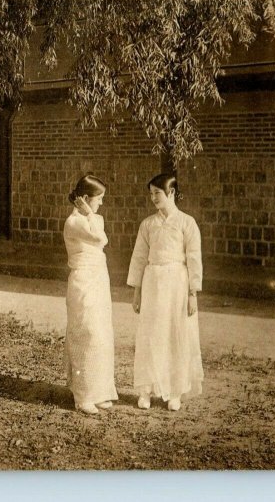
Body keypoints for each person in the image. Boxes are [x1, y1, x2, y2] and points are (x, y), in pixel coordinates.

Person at [127, 173, 204, 412]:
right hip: (153, 283)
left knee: (175, 333)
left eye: (157, 194)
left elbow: (194, 258)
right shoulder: (148, 224)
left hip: (177, 285)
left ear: (171, 193)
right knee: (152, 334)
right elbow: (139, 259)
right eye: (150, 194)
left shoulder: (186, 223)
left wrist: (193, 293)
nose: (153, 198)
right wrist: (137, 292)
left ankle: (174, 391)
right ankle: (146, 390)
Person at [63, 174, 118, 415]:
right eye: (98, 199)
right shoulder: (74, 222)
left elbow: (99, 231)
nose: (101, 204)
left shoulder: (95, 218)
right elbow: (101, 238)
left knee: (102, 333)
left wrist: (91, 214)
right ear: (85, 199)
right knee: (87, 332)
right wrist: (88, 213)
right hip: (82, 281)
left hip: (98, 279)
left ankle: (100, 392)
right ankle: (83, 395)